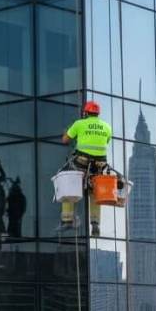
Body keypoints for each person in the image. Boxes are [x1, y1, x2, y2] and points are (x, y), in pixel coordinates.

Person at [59, 100, 112, 236]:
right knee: (95, 192)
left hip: (82, 161)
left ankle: (67, 220)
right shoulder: (107, 126)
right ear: (97, 114)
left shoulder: (79, 124)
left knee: (68, 183)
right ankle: (95, 224)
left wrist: (68, 131)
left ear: (85, 113)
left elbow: (65, 140)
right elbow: (105, 142)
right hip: (99, 165)